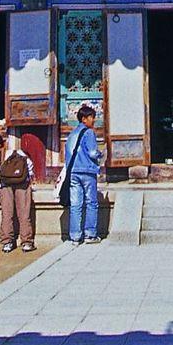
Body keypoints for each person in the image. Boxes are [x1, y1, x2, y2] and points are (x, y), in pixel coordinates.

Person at [65, 103, 104, 244]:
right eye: (92, 117)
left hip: (73, 172)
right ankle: (90, 234)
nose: (94, 120)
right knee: (91, 202)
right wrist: (102, 154)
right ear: (84, 119)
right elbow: (93, 153)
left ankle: (75, 236)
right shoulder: (89, 133)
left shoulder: (72, 134)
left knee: (76, 204)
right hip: (87, 171)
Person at [0, 132, 37, 253]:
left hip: (5, 185)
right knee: (24, 213)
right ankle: (26, 242)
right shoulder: (25, 157)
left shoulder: (3, 154)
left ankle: (7, 242)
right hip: (22, 184)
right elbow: (30, 172)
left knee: (7, 214)